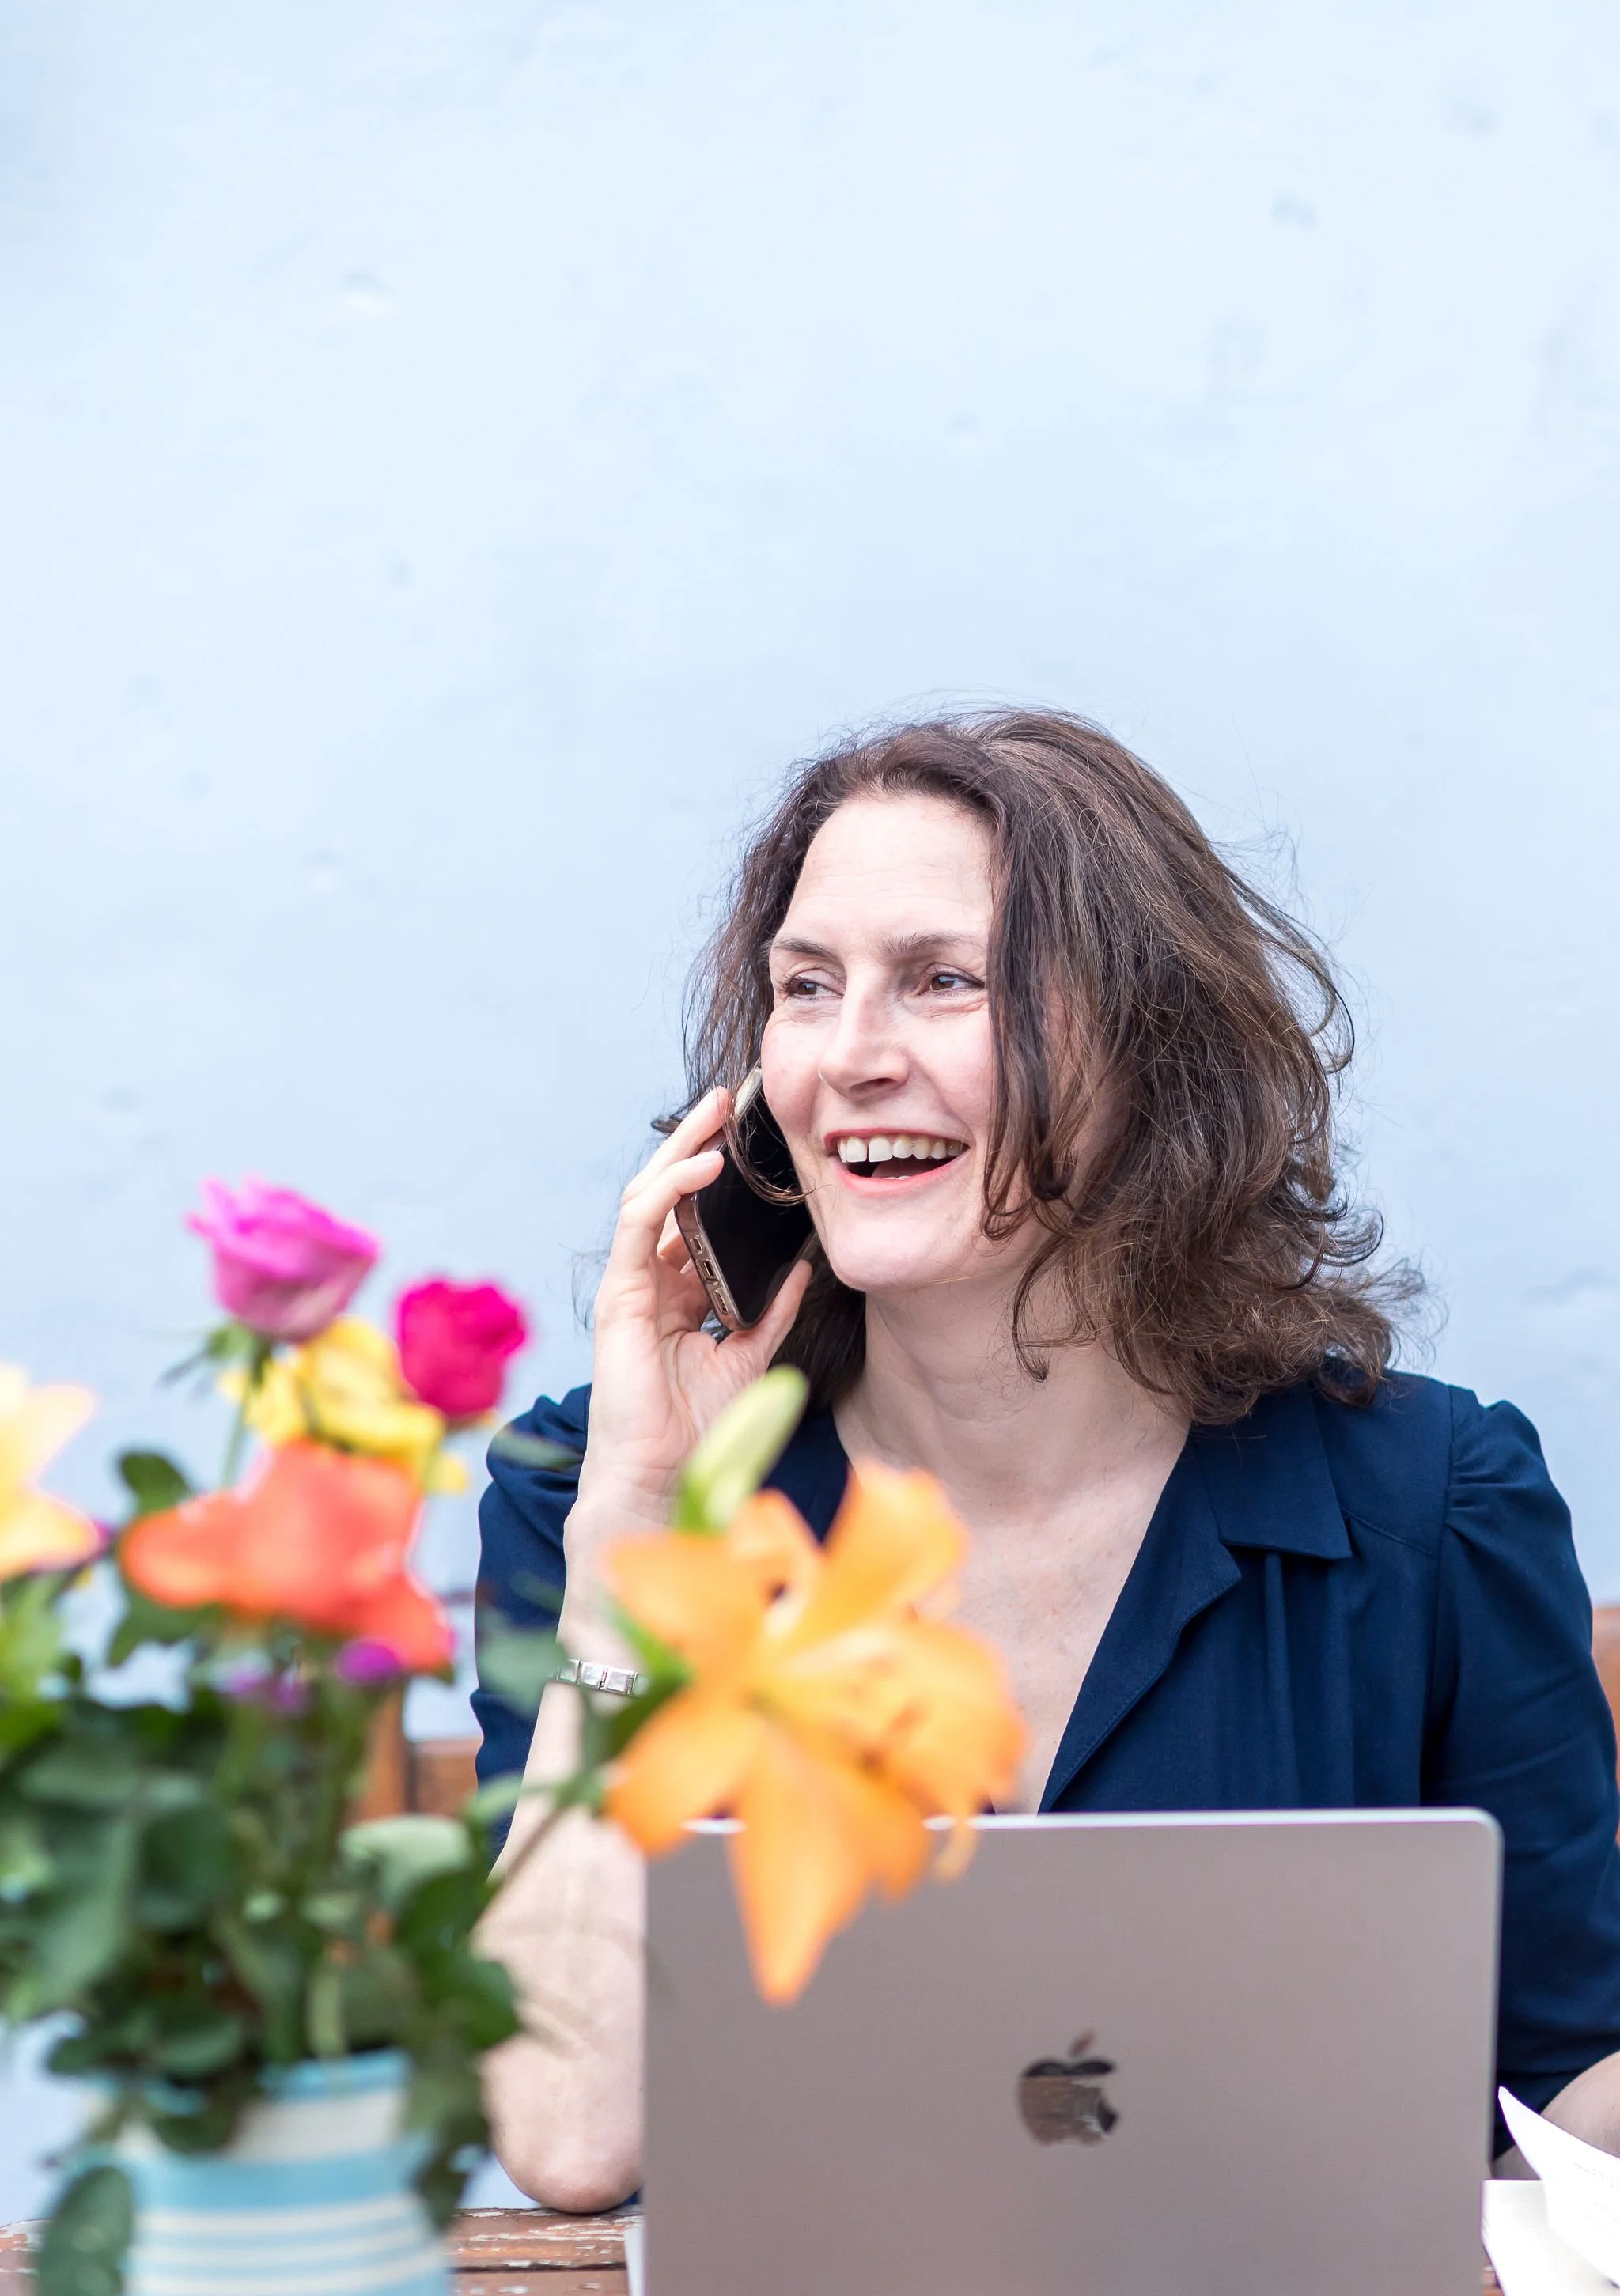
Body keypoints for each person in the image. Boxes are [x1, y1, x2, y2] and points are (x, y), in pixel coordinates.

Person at [474, 708, 1620, 2211]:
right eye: (804, 990)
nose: (852, 1059)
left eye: (946, 983)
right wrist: (635, 1538)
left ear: (1149, 1051)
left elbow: (1565, 2087)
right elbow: (569, 2143)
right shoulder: (596, 1492)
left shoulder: (1430, 1502)